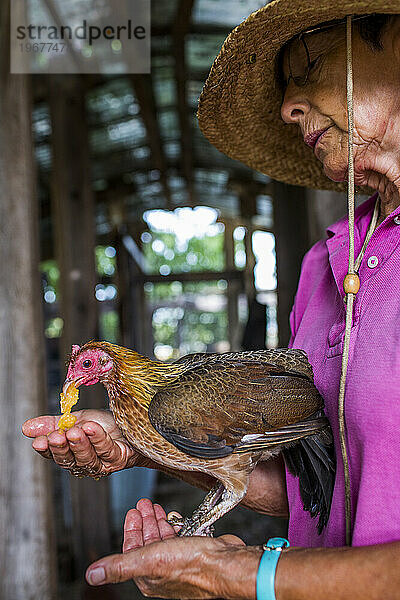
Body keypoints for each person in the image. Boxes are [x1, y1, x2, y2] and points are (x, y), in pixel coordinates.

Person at [23, 2, 400, 598]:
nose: (287, 107)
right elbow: (311, 489)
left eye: (308, 64)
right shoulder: (322, 264)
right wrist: (141, 445)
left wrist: (243, 573)